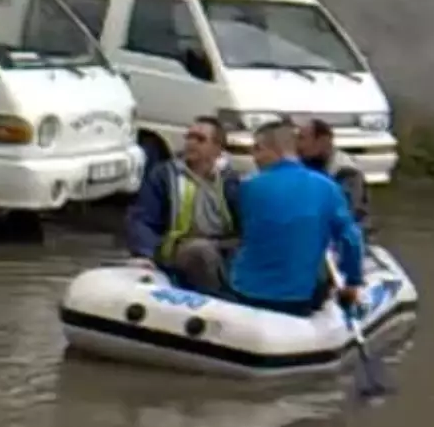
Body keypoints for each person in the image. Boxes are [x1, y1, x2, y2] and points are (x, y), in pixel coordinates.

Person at [230, 121, 364, 317]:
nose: (254, 158)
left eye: (257, 149)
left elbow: (244, 231)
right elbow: (351, 238)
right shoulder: (327, 187)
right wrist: (352, 282)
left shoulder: (248, 187)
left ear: (273, 149)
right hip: (298, 298)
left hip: (246, 292)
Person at [125, 116, 240, 294]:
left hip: (222, 246)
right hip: (181, 247)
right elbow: (143, 217)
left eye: (200, 140)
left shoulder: (229, 180)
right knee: (200, 251)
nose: (191, 143)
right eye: (189, 137)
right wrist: (144, 254)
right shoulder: (164, 175)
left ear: (217, 149)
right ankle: (216, 300)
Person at [296, 118, 370, 232]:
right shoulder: (305, 162)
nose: (298, 145)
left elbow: (349, 215)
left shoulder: (346, 171)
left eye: (302, 138)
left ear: (323, 141)